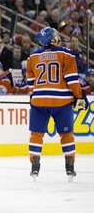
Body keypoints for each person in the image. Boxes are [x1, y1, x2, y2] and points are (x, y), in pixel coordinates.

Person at [26, 27, 89, 182]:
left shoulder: (32, 56)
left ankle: (34, 165)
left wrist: (35, 97)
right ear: (53, 39)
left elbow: (30, 85)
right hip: (61, 101)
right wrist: (79, 96)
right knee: (66, 134)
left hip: (39, 101)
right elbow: (72, 80)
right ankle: (69, 165)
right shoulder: (66, 53)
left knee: (36, 134)